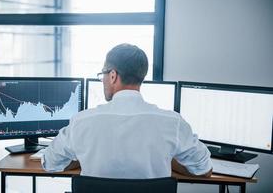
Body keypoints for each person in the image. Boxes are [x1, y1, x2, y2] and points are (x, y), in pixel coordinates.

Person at [41, 43, 212, 178]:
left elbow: (49, 163)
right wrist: (167, 158)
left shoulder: (82, 122)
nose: (103, 80)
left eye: (103, 75)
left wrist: (84, 157)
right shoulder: (173, 123)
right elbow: (204, 169)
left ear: (113, 75)